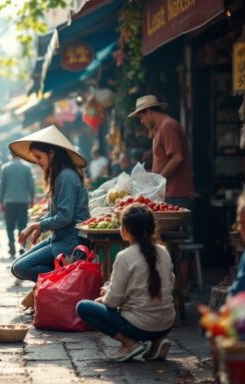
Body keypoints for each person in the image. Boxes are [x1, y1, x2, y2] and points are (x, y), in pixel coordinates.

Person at [76, 204, 175, 362]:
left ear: (126, 229)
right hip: (167, 323)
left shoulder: (125, 256)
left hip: (140, 327)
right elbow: (170, 284)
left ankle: (129, 344)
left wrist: (103, 297)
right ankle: (158, 340)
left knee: (83, 307)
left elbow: (112, 301)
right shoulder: (163, 251)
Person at [9, 125, 90, 308]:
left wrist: (36, 226)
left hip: (71, 241)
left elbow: (65, 216)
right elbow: (55, 212)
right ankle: (58, 280)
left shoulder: (66, 177)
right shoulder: (59, 175)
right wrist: (40, 224)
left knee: (22, 268)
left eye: (39, 157)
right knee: (16, 266)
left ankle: (64, 277)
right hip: (59, 237)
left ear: (52, 153)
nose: (36, 161)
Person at [129, 95, 194, 297]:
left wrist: (158, 179)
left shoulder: (167, 126)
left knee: (178, 245)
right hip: (171, 193)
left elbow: (177, 157)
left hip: (176, 193)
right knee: (172, 244)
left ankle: (181, 291)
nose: (142, 122)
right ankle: (176, 291)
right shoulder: (161, 128)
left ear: (148, 112)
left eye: (141, 117)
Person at [0, 152, 35, 257]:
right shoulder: (27, 167)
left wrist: (1, 202)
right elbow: (31, 186)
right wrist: (32, 199)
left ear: (10, 155)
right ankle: (22, 246)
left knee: (9, 225)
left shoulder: (5, 168)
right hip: (23, 201)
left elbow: (2, 187)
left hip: (9, 201)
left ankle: (11, 247)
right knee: (22, 225)